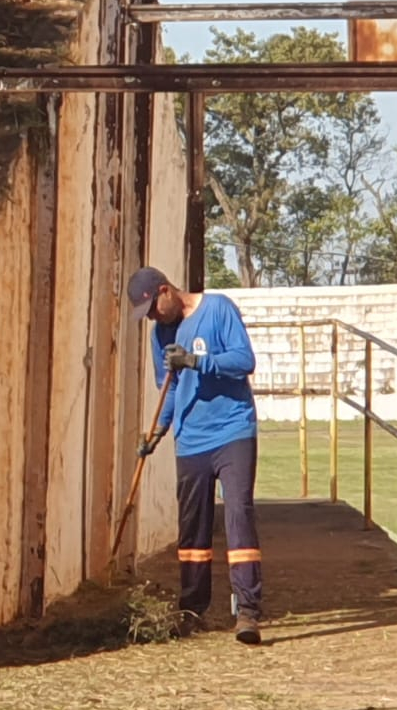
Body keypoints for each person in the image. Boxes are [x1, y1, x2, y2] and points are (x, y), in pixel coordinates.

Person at [129, 265, 264, 646]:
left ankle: (248, 611)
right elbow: (169, 389)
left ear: (165, 290)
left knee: (238, 514)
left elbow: (244, 361)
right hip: (190, 440)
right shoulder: (161, 335)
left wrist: (197, 361)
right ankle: (191, 609)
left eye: (153, 308)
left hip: (233, 431)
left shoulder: (218, 309)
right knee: (192, 529)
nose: (154, 317)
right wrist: (157, 431)